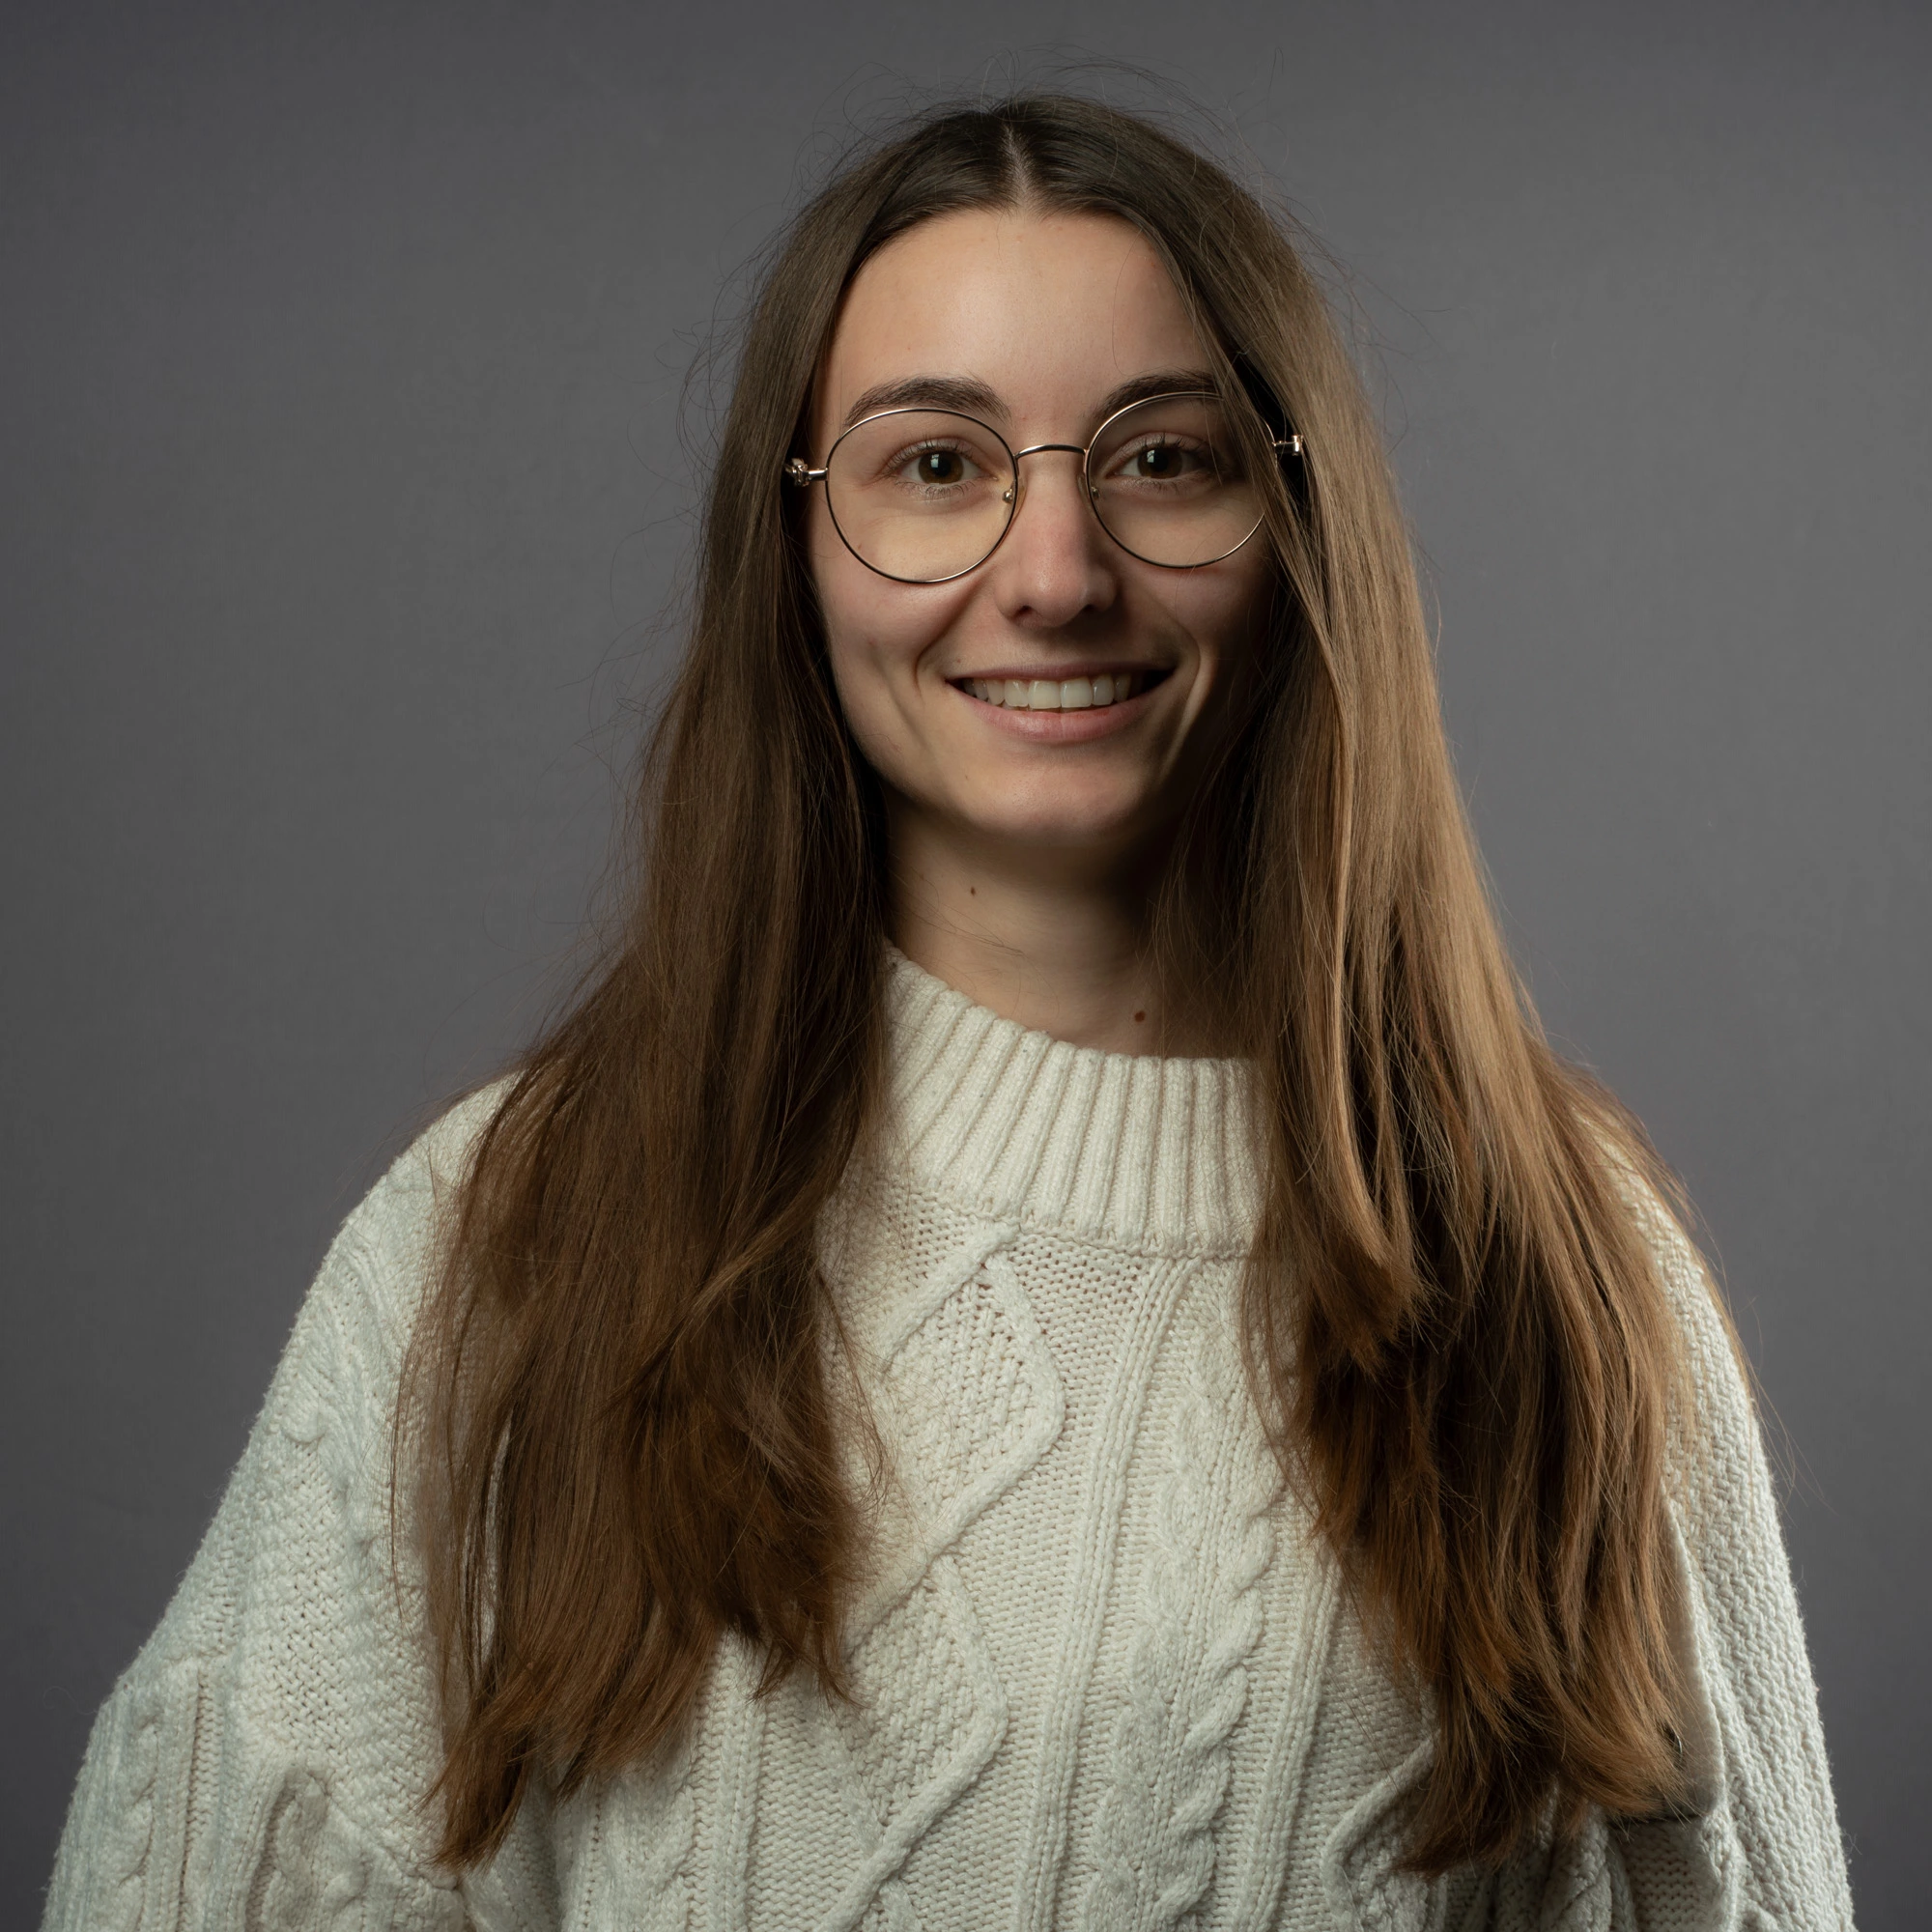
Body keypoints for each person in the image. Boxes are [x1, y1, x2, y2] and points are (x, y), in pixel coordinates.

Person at [43, 95, 1854, 1931]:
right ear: (798, 549)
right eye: (935, 467)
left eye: (1163, 458)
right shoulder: (500, 1249)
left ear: (1297, 529)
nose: (1055, 576)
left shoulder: (1560, 1271)